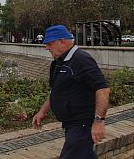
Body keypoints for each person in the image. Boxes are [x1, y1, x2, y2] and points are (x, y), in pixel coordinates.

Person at [32, 25, 110, 159]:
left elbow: (102, 89)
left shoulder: (81, 60)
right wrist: (43, 111)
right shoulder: (57, 63)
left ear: (62, 42)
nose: (46, 48)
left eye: (49, 44)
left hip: (82, 124)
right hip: (70, 124)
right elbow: (55, 91)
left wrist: (98, 121)